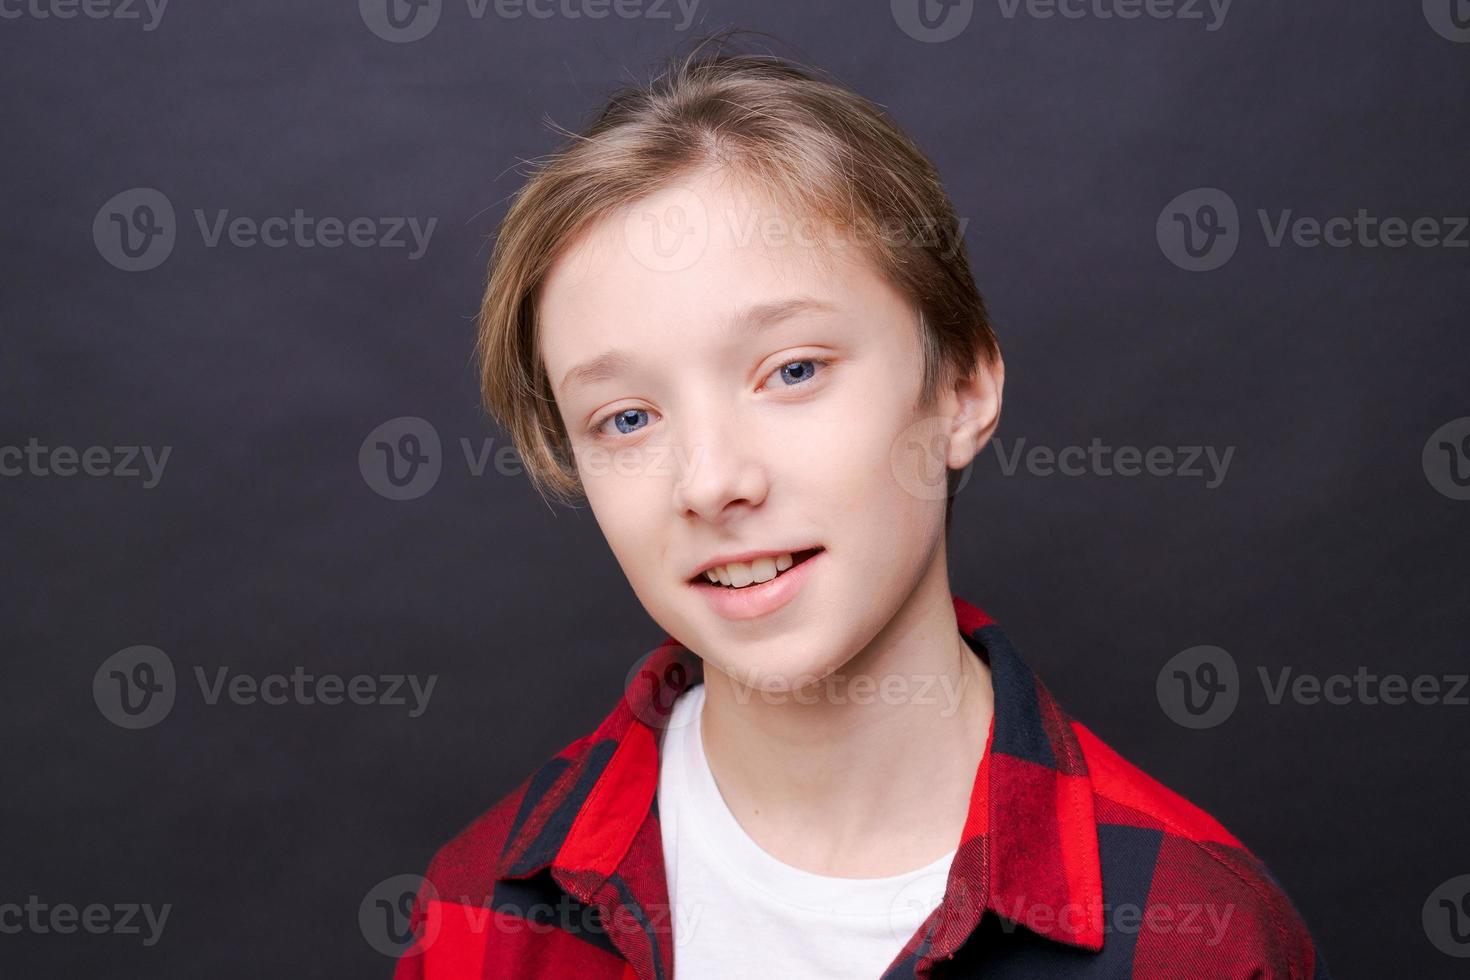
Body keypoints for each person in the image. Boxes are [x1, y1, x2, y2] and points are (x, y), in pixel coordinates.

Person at [393, 34, 1330, 979]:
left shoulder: (1193, 936)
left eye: (793, 371)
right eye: (627, 417)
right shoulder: (483, 911)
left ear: (962, 386)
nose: (713, 481)